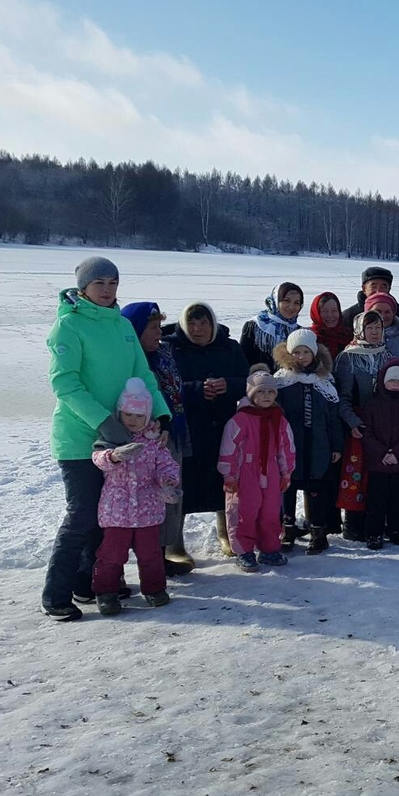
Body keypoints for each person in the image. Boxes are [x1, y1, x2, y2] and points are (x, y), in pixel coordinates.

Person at [42, 257, 171, 622]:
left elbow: (142, 375)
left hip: (123, 436)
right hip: (79, 439)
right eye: (98, 282)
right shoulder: (68, 326)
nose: (107, 289)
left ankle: (90, 582)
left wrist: (161, 415)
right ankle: (55, 593)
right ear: (82, 286)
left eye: (113, 282)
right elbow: (65, 384)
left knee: (108, 517)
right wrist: (104, 422)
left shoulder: (121, 326)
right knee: (83, 515)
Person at [162, 302, 248, 557]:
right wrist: (196, 389)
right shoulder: (171, 348)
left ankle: (226, 532)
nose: (198, 329)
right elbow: (165, 384)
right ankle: (174, 543)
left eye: (203, 323)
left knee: (224, 479)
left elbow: (248, 380)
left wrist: (228, 385)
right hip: (186, 427)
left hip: (223, 425)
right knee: (182, 482)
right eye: (193, 323)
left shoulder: (229, 347)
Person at [90, 378, 180, 614]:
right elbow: (98, 459)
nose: (133, 420)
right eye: (128, 414)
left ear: (148, 417)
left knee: (150, 555)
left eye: (139, 416)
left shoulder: (154, 443)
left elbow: (166, 465)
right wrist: (115, 456)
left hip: (147, 509)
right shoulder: (111, 437)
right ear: (120, 413)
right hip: (116, 511)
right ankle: (106, 592)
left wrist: (168, 480)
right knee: (111, 555)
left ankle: (154, 589)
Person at [121, 302, 192, 576]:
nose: (158, 333)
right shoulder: (131, 361)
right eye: (152, 328)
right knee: (150, 498)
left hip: (173, 430)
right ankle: (149, 561)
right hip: (148, 439)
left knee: (170, 492)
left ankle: (161, 555)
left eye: (159, 327)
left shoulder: (163, 354)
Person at [217, 367, 295, 573]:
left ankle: (269, 547)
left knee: (270, 511)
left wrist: (286, 472)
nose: (266, 396)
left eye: (270, 392)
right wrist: (229, 474)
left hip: (270, 470)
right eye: (261, 392)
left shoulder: (278, 418)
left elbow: (286, 447)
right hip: (245, 471)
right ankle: (244, 550)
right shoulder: (241, 419)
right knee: (244, 511)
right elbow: (229, 448)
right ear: (251, 394)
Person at [273, 330, 344, 554]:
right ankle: (288, 529)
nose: (302, 356)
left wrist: (336, 445)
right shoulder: (282, 381)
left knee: (316, 488)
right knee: (288, 487)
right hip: (290, 445)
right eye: (297, 352)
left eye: (306, 352)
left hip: (318, 445)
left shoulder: (324, 382)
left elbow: (333, 418)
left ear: (314, 353)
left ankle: (318, 531)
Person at [334, 310, 392, 538]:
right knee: (355, 474)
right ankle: (353, 524)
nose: (375, 332)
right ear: (360, 330)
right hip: (357, 427)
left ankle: (376, 520)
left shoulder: (388, 356)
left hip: (383, 425)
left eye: (378, 327)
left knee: (378, 475)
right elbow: (341, 397)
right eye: (370, 328)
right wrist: (353, 422)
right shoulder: (348, 357)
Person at [358, 359, 399, 549]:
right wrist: (381, 453)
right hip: (377, 464)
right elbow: (366, 432)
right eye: (392, 381)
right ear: (383, 381)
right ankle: (374, 533)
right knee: (376, 500)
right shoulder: (372, 405)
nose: (395, 385)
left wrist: (397, 453)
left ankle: (396, 530)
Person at [240, 282, 303, 370]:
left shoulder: (300, 332)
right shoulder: (255, 326)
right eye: (286, 301)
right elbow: (243, 362)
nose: (291, 306)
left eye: (296, 303)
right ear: (275, 301)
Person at [365, 293, 399, 368]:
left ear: (393, 314)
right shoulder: (357, 340)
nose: (383, 316)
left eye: (387, 312)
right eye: (378, 311)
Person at [342, 266, 398, 334]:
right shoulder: (349, 316)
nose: (378, 291)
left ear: (389, 289)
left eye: (383, 287)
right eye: (373, 286)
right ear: (364, 288)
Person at [308, 291, 353, 362]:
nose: (330, 315)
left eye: (334, 311)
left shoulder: (349, 336)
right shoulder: (310, 338)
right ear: (317, 314)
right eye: (325, 311)